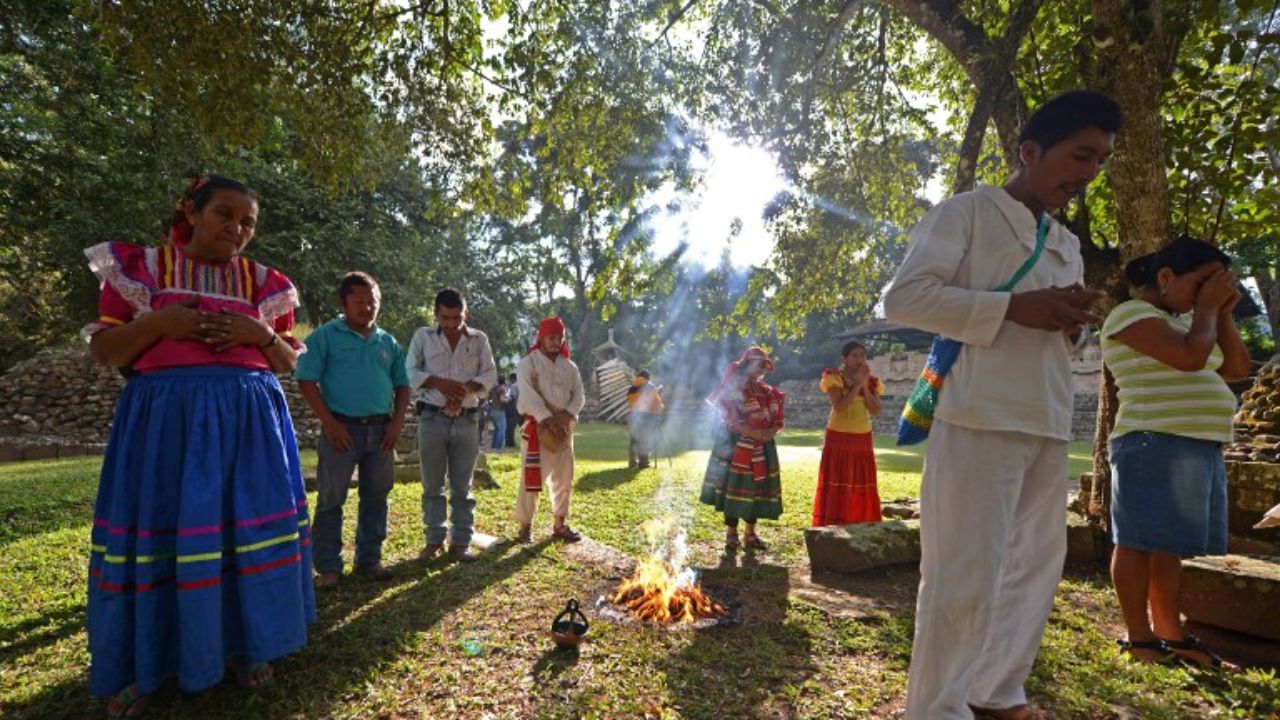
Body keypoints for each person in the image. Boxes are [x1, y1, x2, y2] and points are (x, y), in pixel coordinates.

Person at [883, 90, 1121, 720]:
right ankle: (936, 709)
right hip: (977, 414)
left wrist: (1070, 321)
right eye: (1081, 155)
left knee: (1034, 568)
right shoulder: (965, 213)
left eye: (1101, 160)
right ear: (1030, 151)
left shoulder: (1066, 242)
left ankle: (995, 690)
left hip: (1047, 415)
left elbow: (1056, 333)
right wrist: (1014, 307)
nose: (1090, 173)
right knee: (962, 572)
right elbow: (905, 299)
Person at [83, 175, 315, 716]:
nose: (237, 229)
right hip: (168, 428)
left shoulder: (265, 284)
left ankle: (247, 646)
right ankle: (148, 663)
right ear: (192, 211)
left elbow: (288, 362)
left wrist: (260, 335)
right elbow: (107, 351)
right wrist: (162, 322)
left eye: (248, 223)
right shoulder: (141, 271)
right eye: (224, 215)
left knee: (242, 533)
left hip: (249, 432)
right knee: (166, 534)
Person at [1102, 237, 1248, 668]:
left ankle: (1170, 634)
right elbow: (1188, 359)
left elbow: (1236, 369)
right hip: (1152, 439)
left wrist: (1222, 313)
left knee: (1168, 546)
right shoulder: (1131, 314)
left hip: (1194, 443)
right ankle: (1140, 639)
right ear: (1166, 277)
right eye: (1202, 283)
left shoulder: (1191, 322)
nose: (1208, 294)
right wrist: (1207, 309)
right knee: (1136, 542)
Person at [296, 272, 411, 589]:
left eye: (372, 300)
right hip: (341, 430)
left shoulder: (387, 342)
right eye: (359, 300)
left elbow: (402, 386)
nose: (367, 307)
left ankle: (369, 559)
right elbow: (306, 381)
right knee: (331, 498)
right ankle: (328, 566)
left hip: (381, 430)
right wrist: (330, 424)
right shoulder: (324, 337)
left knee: (377, 496)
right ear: (343, 302)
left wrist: (396, 423)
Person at [405, 289, 497, 563]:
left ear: (465, 314)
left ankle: (460, 542)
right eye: (445, 318)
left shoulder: (479, 339)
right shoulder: (423, 336)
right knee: (432, 484)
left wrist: (463, 391)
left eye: (457, 317)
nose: (451, 324)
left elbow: (489, 374)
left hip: (467, 417)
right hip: (432, 416)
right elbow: (410, 371)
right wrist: (439, 383)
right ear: (436, 315)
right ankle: (434, 540)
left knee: (462, 485)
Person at [700, 346, 786, 551]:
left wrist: (769, 432)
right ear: (747, 364)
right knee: (733, 486)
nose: (761, 369)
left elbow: (776, 418)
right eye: (758, 365)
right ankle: (731, 534)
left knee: (755, 487)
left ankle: (750, 533)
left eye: (763, 366)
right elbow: (730, 418)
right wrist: (752, 432)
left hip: (762, 444)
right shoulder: (732, 388)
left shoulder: (767, 391)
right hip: (734, 444)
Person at [514, 317, 586, 543]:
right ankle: (525, 527)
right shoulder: (528, 363)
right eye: (551, 337)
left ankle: (560, 523)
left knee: (564, 478)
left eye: (559, 338)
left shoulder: (570, 367)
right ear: (542, 338)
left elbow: (579, 396)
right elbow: (528, 395)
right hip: (538, 428)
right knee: (532, 479)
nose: (556, 342)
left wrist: (563, 418)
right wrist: (548, 419)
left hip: (564, 429)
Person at [812, 340, 884, 526]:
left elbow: (876, 410)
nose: (859, 359)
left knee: (860, 481)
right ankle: (834, 523)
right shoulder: (834, 377)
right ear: (844, 358)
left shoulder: (872, 381)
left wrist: (865, 386)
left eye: (862, 356)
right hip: (839, 435)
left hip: (862, 437)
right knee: (838, 479)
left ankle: (860, 522)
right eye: (854, 355)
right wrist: (857, 385)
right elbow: (839, 406)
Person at [627, 370, 665, 469]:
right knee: (645, 439)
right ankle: (643, 463)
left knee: (634, 440)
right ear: (648, 378)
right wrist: (660, 402)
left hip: (634, 416)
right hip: (647, 416)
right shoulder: (651, 387)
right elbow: (656, 405)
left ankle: (632, 463)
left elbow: (631, 402)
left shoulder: (632, 388)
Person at [488, 376, 510, 451]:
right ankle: (498, 447)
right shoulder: (502, 388)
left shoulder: (494, 388)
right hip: (499, 411)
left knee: (497, 429)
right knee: (502, 429)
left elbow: (489, 397)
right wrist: (508, 399)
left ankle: (494, 446)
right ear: (504, 381)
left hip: (493, 410)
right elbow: (502, 399)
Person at [504, 372, 521, 447]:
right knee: (523, 426)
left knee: (510, 427)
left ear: (511, 379)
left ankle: (510, 443)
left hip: (514, 409)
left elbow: (513, 397)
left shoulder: (513, 386)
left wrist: (507, 402)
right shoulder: (521, 385)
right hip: (522, 408)